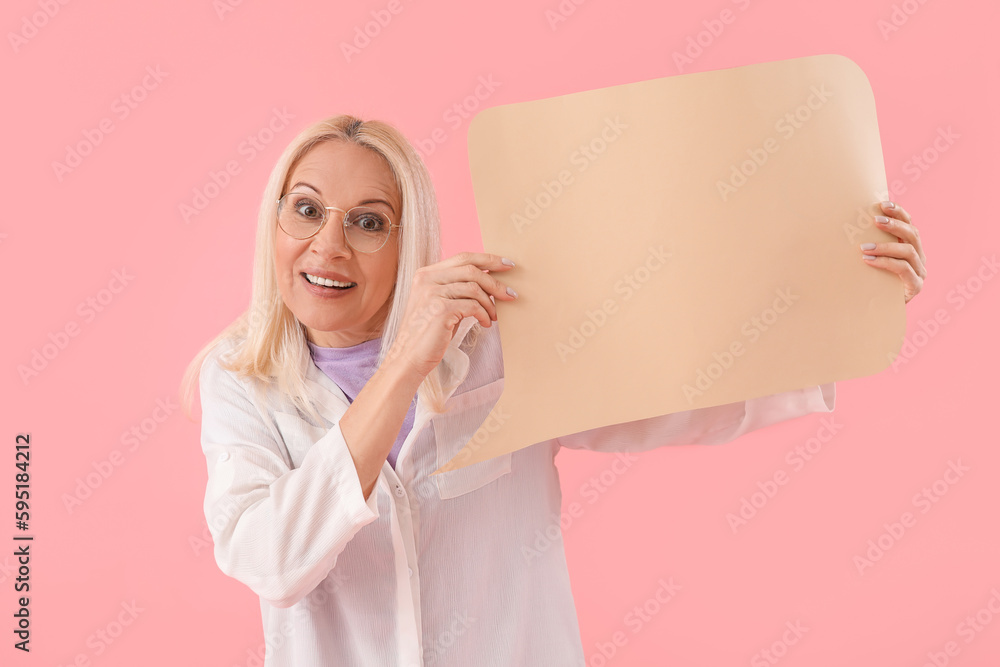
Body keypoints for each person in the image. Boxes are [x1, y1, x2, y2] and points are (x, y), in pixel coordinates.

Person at [179, 114, 927, 666]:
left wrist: (846, 307)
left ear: (409, 243)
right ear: (273, 221)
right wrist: (402, 364)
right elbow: (271, 559)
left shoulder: (494, 345)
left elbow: (677, 396)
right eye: (306, 209)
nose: (329, 245)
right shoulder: (239, 380)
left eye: (369, 222)